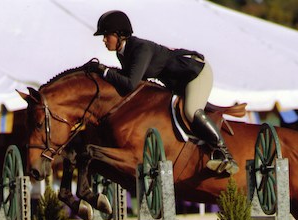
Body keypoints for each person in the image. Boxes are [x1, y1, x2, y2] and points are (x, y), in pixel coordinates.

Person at [92, 10, 238, 175]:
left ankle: (225, 154)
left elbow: (130, 84)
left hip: (195, 73)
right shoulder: (123, 53)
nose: (104, 40)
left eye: (106, 35)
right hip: (177, 82)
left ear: (119, 35)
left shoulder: (140, 48)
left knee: (191, 111)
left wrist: (104, 72)